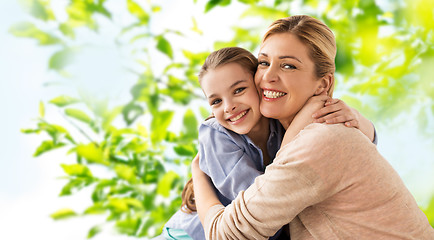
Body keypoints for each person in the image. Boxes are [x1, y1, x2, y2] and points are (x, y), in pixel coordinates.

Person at [192, 15, 434, 239]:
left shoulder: (320, 140)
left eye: (288, 66)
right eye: (264, 63)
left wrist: (198, 175)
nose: (268, 77)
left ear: (323, 84)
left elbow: (225, 235)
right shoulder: (298, 129)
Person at [161, 46, 377, 239]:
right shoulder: (216, 135)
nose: (228, 107)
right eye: (216, 101)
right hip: (190, 234)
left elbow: (350, 149)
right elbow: (262, 209)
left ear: (259, 86)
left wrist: (359, 120)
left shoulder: (280, 122)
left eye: (239, 90)